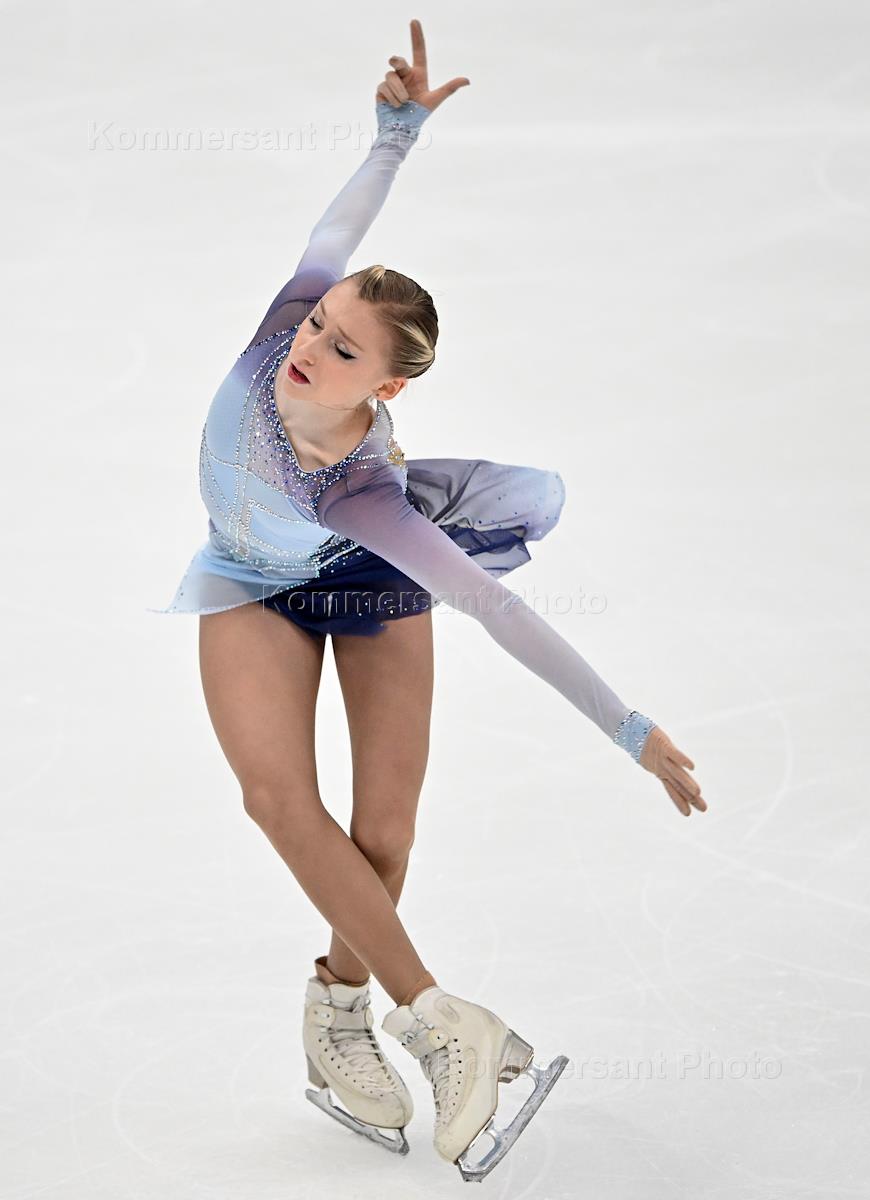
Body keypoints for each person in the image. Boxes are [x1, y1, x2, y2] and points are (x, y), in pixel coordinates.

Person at [150, 18, 707, 1181]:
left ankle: (338, 1013)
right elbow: (338, 227)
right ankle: (441, 1025)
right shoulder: (281, 327)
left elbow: (500, 613)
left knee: (386, 836)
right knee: (274, 797)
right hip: (251, 580)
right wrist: (394, 134)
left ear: (389, 386)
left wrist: (631, 729)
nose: (311, 347)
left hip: (364, 582)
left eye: (346, 350)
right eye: (320, 324)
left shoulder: (366, 498)